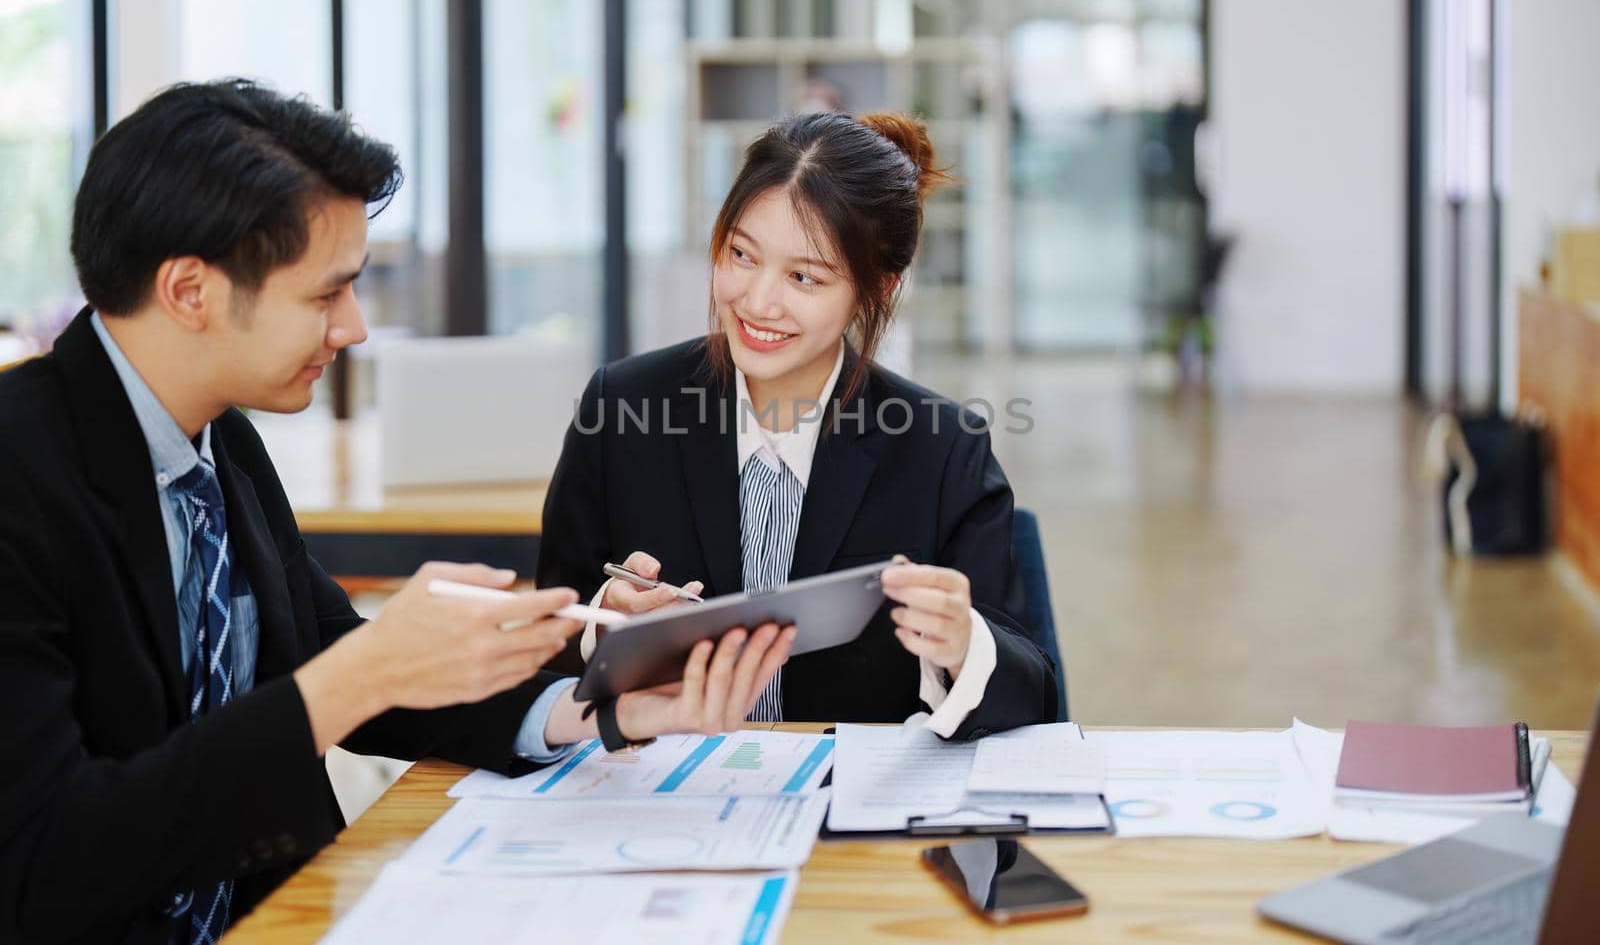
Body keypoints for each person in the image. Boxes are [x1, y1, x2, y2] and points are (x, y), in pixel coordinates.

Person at [0, 79, 793, 945]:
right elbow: (45, 860)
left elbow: (331, 654)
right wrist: (370, 666)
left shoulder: (218, 440)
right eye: (325, 295)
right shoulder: (22, 474)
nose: (355, 328)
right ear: (191, 290)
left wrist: (601, 707)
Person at [539, 110, 1057, 739]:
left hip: (846, 813)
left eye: (803, 277)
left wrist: (963, 642)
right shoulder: (620, 410)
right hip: (663, 799)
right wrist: (600, 624)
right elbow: (541, 655)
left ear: (879, 288)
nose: (758, 302)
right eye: (740, 254)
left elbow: (1034, 692)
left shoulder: (940, 449)